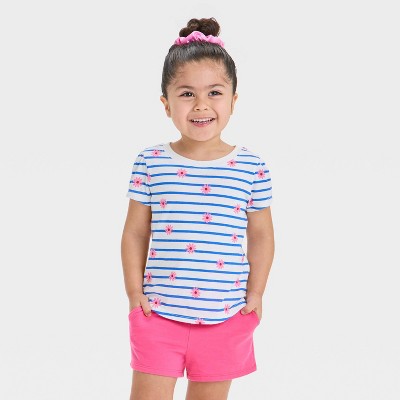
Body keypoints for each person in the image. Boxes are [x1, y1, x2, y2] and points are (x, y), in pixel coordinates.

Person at [121, 17, 275, 400]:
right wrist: (134, 293)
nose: (201, 105)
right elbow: (135, 232)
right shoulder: (150, 162)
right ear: (166, 103)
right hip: (158, 314)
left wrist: (256, 294)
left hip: (226, 315)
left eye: (215, 92)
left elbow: (261, 235)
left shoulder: (252, 167)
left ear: (234, 101)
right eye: (187, 93)